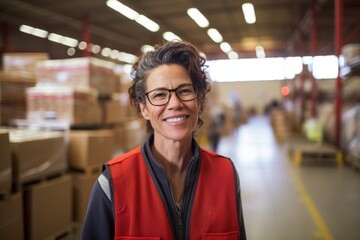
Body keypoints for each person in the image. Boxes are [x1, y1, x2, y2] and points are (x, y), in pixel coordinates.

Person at [81, 41, 247, 240]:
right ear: (144, 108)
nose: (175, 104)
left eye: (184, 91)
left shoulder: (225, 174)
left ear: (199, 100)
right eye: (159, 95)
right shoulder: (113, 183)